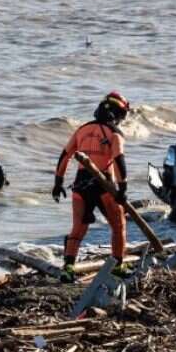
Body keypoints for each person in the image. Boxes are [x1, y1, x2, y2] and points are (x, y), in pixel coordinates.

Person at [52, 91, 131, 282]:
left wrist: (58, 183)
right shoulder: (114, 134)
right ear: (119, 115)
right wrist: (122, 189)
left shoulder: (82, 130)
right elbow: (119, 161)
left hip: (80, 185)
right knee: (118, 225)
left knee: (77, 229)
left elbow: (65, 156)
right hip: (104, 186)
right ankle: (118, 265)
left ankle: (68, 268)